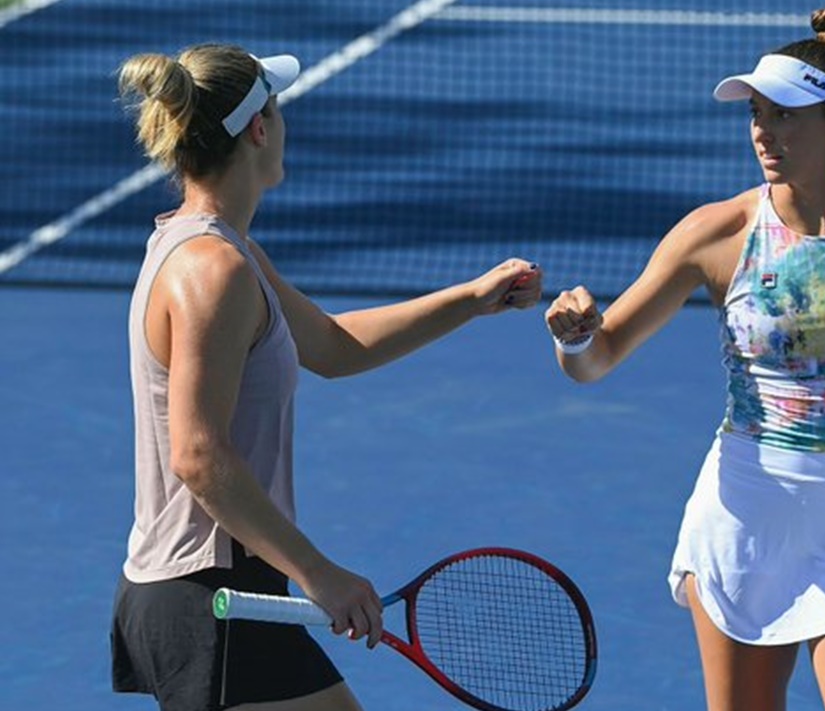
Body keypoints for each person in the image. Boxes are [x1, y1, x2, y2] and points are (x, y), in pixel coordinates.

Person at [544, 7, 825, 710]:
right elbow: (596, 359)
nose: (765, 130)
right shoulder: (716, 233)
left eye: (787, 114)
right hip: (746, 521)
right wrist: (574, 335)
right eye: (757, 113)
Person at [109, 44, 542, 711]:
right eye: (276, 109)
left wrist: (472, 299)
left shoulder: (224, 250)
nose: (283, 124)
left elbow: (334, 346)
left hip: (213, 588)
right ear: (258, 128)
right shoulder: (211, 271)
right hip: (212, 594)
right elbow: (197, 453)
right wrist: (317, 572)